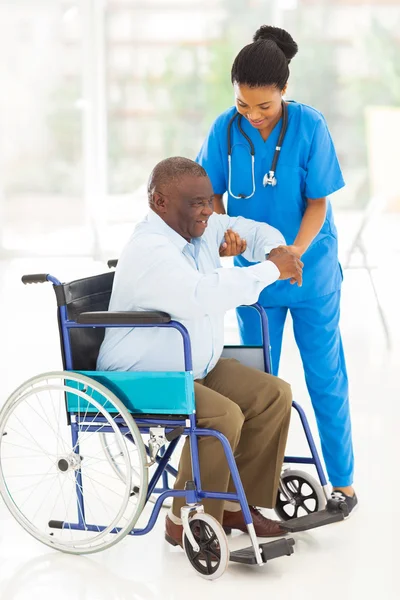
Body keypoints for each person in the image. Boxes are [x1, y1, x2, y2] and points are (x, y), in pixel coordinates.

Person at [97, 156, 304, 546]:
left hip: (192, 365)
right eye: (197, 203)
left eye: (209, 200)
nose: (209, 210)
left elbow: (250, 229)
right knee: (222, 415)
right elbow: (201, 296)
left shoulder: (200, 229)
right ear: (159, 202)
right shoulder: (151, 250)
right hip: (143, 376)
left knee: (274, 394)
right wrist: (272, 269)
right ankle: (185, 515)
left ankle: (234, 504)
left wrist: (277, 250)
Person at [196, 25, 357, 513]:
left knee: (325, 374)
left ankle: (344, 482)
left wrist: (294, 254)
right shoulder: (225, 129)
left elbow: (317, 203)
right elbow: (211, 197)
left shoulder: (310, 126)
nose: (254, 115)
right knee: (260, 383)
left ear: (284, 91)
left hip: (311, 276)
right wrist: (222, 232)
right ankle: (254, 487)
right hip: (255, 282)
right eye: (244, 104)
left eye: (264, 106)